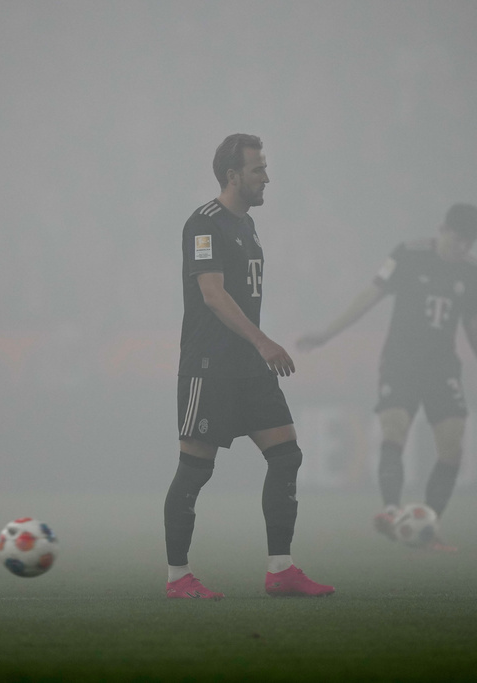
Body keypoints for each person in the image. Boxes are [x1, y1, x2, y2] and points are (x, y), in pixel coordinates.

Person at [164, 134, 334, 599]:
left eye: (264, 167)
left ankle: (280, 570)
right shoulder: (204, 223)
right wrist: (263, 341)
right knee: (195, 469)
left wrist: (256, 348)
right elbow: (213, 294)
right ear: (233, 174)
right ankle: (179, 578)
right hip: (209, 365)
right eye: (258, 169)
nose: (266, 177)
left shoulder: (247, 225)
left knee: (286, 455)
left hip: (247, 367)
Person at [298, 204, 477, 551]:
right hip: (401, 361)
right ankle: (391, 511)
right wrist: (326, 334)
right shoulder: (408, 255)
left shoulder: (474, 272)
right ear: (442, 229)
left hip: (442, 367)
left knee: (452, 444)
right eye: (456, 239)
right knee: (395, 427)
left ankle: (428, 525)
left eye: (468, 243)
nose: (461, 248)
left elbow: (472, 323)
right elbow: (370, 295)